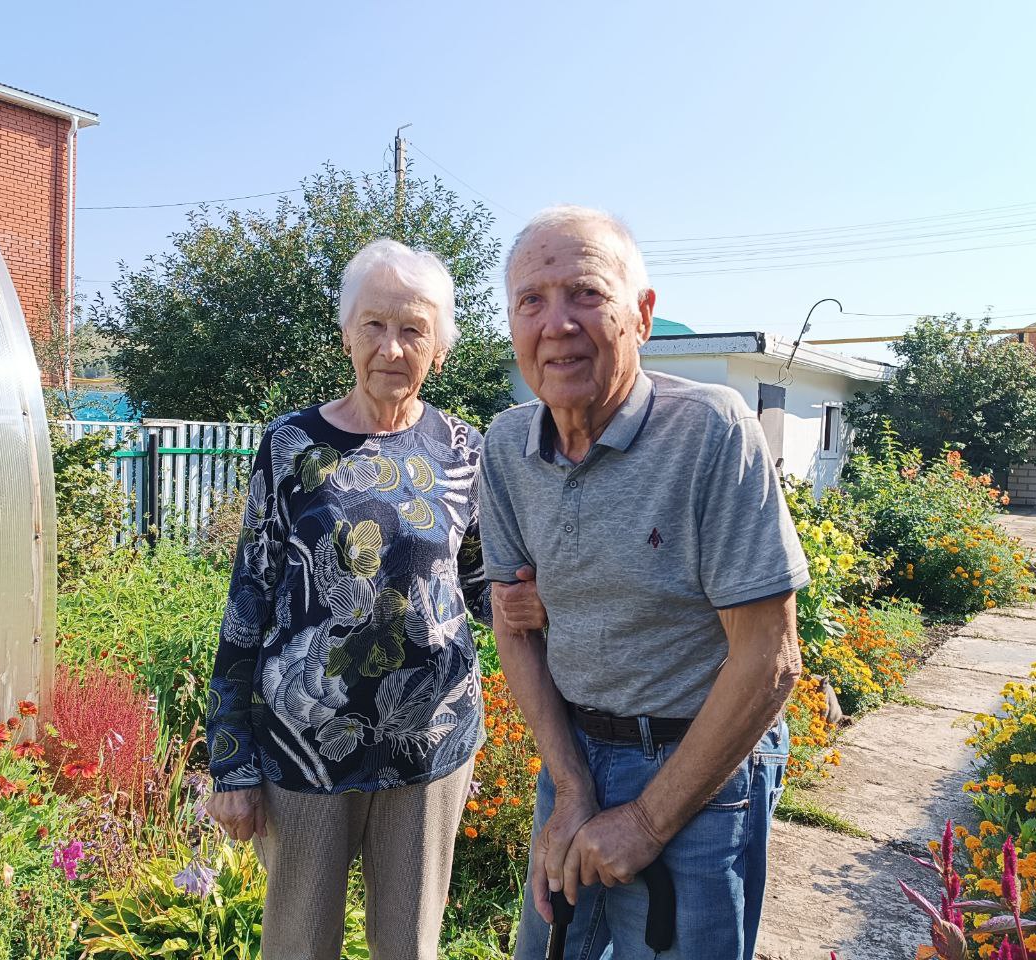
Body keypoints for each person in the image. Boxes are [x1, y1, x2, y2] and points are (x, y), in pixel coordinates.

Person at [480, 206, 809, 960]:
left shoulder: (711, 431)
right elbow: (511, 622)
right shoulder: (506, 446)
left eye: (586, 294)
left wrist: (647, 821)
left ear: (642, 315)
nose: (557, 323)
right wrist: (570, 785)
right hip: (573, 755)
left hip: (696, 767)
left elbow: (771, 658)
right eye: (532, 300)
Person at [203, 238, 545, 960]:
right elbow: (249, 597)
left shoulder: (465, 449)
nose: (392, 346)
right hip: (304, 750)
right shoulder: (291, 444)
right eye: (375, 325)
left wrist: (540, 601)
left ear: (440, 349)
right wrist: (230, 761)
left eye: (414, 328)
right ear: (346, 333)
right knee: (297, 946)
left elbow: (483, 583)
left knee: (410, 947)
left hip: (431, 746)